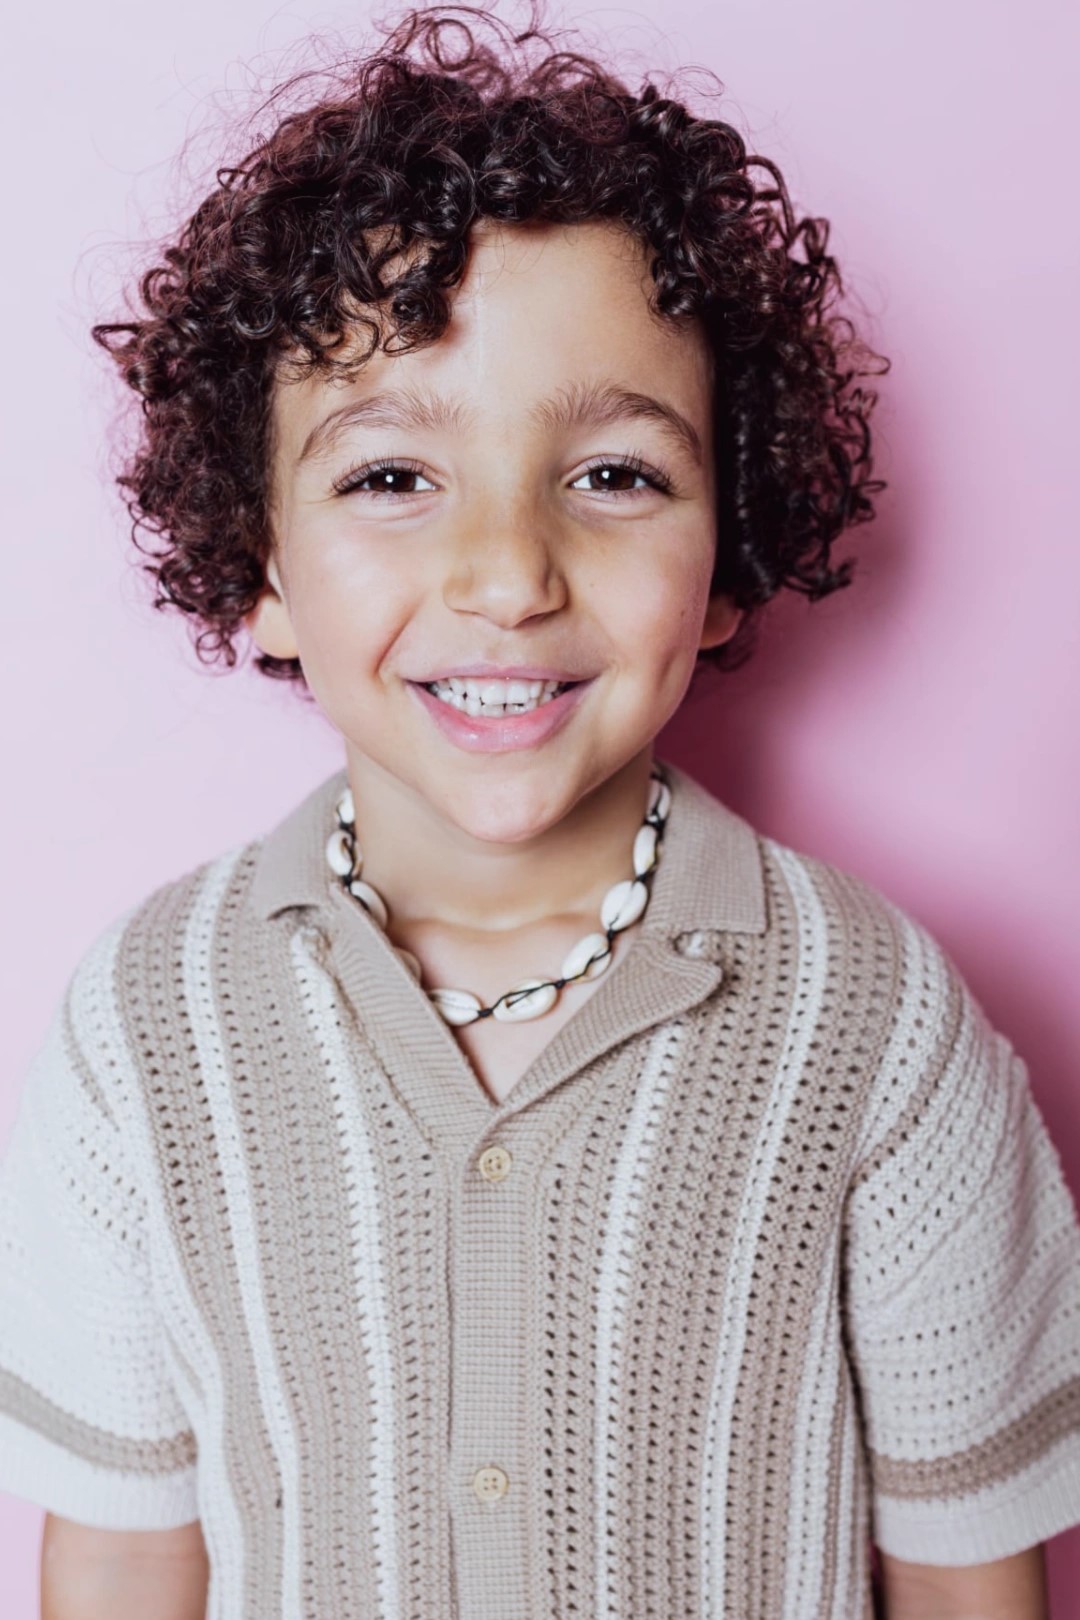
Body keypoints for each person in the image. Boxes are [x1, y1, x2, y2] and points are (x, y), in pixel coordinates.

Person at [2, 6, 1079, 1617]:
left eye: (615, 476)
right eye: (389, 478)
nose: (507, 575)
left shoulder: (874, 1023)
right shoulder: (149, 1027)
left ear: (729, 556)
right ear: (260, 564)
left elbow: (968, 1575)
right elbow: (121, 1552)